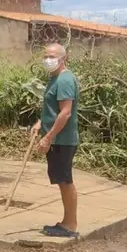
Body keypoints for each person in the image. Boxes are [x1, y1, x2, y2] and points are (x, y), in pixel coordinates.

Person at [31, 43, 79, 238]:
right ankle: (66, 222)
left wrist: (48, 138)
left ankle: (70, 225)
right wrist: (40, 123)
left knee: (65, 180)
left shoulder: (65, 80)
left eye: (52, 56)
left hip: (62, 140)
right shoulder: (55, 78)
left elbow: (66, 113)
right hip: (57, 138)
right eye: (45, 56)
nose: (47, 59)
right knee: (61, 180)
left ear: (63, 59)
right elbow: (54, 110)